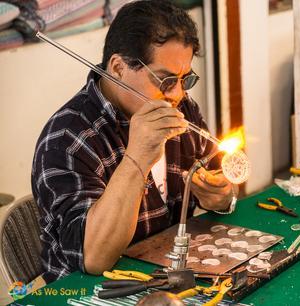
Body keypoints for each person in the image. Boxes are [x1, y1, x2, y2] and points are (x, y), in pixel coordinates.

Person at [31, 0, 236, 284]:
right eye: (165, 81)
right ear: (118, 67)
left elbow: (219, 176)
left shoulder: (181, 108)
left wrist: (221, 196)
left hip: (164, 277)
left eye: (184, 79)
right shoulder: (67, 140)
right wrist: (137, 158)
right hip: (88, 292)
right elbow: (94, 258)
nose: (177, 94)